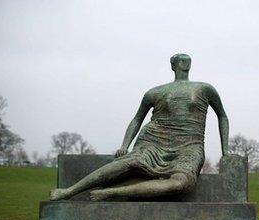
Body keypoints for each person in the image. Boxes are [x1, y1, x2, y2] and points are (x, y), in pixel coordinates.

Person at [50, 54, 229, 201]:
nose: (184, 60)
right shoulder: (155, 92)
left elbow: (222, 116)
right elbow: (137, 119)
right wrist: (124, 145)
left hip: (189, 146)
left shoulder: (205, 89)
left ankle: (111, 193)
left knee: (181, 183)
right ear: (173, 66)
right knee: (130, 161)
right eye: (180, 60)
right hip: (154, 140)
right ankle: (69, 192)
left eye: (186, 59)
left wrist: (225, 151)